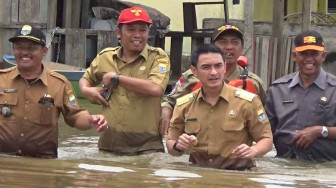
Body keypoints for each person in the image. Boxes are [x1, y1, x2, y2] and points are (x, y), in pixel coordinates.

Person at [0, 25, 108, 158]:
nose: (24, 52)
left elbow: (75, 116)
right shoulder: (1, 79)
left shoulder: (59, 84)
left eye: (32, 48)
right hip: (4, 162)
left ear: (45, 51)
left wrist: (92, 120)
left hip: (43, 165)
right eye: (19, 47)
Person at [79, 7, 170, 155]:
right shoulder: (105, 57)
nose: (137, 35)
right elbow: (86, 78)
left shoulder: (158, 57)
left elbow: (156, 89)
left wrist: (116, 78)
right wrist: (86, 90)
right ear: (118, 33)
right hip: (109, 143)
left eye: (143, 30)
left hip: (147, 146)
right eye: (131, 29)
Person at [166, 44, 272, 170]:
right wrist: (178, 145)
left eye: (218, 66)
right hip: (197, 174)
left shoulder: (248, 102)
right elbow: (170, 143)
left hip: (238, 174)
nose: (214, 72)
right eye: (206, 67)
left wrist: (253, 150)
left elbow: (266, 140)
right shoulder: (184, 104)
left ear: (225, 67)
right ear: (194, 71)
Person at [159, 24, 266, 136]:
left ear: (241, 49)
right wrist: (165, 114)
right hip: (195, 142)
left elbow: (264, 116)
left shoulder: (253, 82)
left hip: (237, 145)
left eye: (235, 42)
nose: (229, 47)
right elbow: (169, 102)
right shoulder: (192, 76)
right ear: (213, 47)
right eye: (223, 42)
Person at [265, 30, 336, 162]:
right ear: (294, 55)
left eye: (314, 53)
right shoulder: (277, 89)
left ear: (323, 56)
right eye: (303, 53)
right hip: (284, 165)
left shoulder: (334, 89)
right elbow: (264, 131)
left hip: (324, 168)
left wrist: (321, 131)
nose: (309, 59)